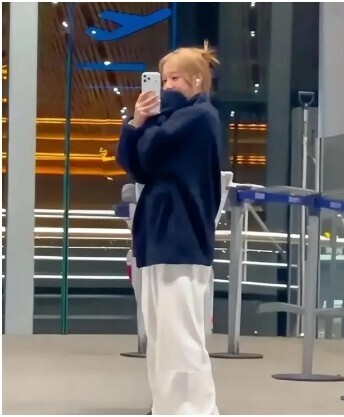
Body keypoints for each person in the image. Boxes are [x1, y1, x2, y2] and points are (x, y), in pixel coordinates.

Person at [116, 42, 222, 415]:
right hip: (158, 240)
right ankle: (168, 407)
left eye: (174, 78)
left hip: (181, 240)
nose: (166, 86)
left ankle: (195, 409)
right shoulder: (171, 119)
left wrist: (144, 123)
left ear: (197, 79)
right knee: (162, 340)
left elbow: (149, 151)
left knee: (181, 339)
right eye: (163, 80)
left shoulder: (200, 117)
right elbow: (136, 164)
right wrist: (137, 123)